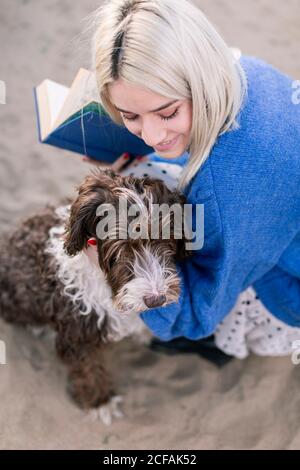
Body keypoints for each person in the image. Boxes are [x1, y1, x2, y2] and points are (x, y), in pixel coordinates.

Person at [88, 0, 300, 360]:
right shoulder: (249, 71)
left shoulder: (225, 191)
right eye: (130, 116)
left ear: (199, 79)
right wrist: (140, 155)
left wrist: (104, 263)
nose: (152, 136)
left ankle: (219, 349)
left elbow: (194, 314)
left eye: (167, 112)